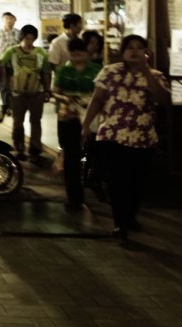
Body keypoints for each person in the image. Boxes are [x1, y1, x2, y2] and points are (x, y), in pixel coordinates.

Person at [81, 34, 170, 241]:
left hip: (143, 138)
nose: (135, 51)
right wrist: (86, 125)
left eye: (139, 48)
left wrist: (146, 70)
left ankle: (130, 216)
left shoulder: (155, 76)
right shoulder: (110, 72)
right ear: (122, 52)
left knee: (137, 182)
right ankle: (120, 223)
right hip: (112, 135)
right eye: (130, 47)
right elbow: (97, 100)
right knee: (117, 181)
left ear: (146, 52)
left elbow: (162, 99)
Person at [52, 37, 102, 210]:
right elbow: (55, 92)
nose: (76, 58)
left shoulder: (96, 69)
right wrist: (64, 98)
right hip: (69, 116)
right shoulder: (63, 71)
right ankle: (74, 196)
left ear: (86, 53)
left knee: (96, 153)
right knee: (71, 157)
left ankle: (96, 185)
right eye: (73, 55)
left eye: (79, 54)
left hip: (93, 116)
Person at [0, 24, 51, 164]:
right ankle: (19, 149)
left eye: (32, 39)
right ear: (22, 37)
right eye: (27, 38)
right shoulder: (12, 51)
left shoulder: (41, 53)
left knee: (35, 122)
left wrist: (47, 90)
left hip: (37, 92)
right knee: (17, 122)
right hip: (17, 92)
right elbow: (1, 64)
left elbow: (46, 72)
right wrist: (5, 85)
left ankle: (34, 151)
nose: (29, 42)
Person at [0, 12, 21, 115]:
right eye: (6, 19)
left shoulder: (18, 33)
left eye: (11, 19)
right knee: (4, 84)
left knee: (14, 84)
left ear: (15, 20)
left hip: (15, 61)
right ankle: (5, 105)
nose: (9, 21)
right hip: (2, 61)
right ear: (3, 20)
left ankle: (13, 106)